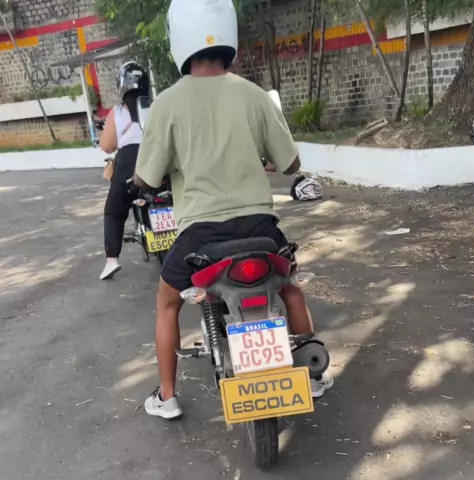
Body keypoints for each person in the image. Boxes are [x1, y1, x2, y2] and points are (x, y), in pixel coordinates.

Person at [134, 0, 333, 420]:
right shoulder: (255, 95)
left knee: (167, 305)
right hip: (261, 229)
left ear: (177, 38)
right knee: (290, 290)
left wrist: (144, 179)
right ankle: (314, 375)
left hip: (201, 236)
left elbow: (146, 178)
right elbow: (291, 164)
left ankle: (167, 397)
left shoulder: (167, 104)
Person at [99, 61, 150, 281]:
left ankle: (112, 260)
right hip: (157, 161)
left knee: (113, 211)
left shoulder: (117, 112)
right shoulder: (157, 105)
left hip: (129, 165)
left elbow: (107, 146)